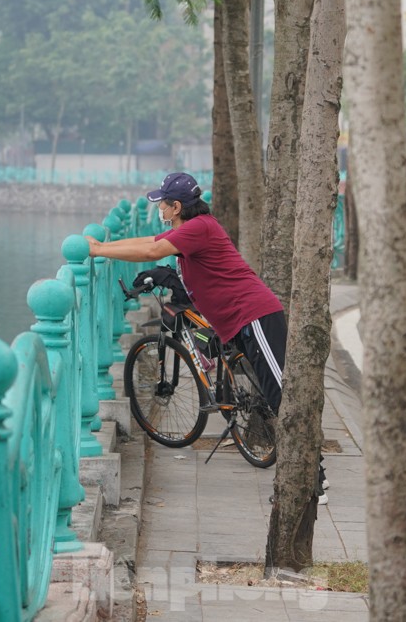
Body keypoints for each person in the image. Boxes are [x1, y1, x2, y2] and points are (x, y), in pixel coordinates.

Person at [86, 172, 327, 502]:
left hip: (254, 314)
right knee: (274, 395)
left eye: (162, 204)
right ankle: (307, 477)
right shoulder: (189, 229)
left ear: (176, 207)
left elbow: (150, 252)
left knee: (281, 396)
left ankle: (312, 482)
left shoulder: (199, 228)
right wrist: (100, 248)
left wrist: (101, 252)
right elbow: (148, 243)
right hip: (238, 320)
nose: (158, 208)